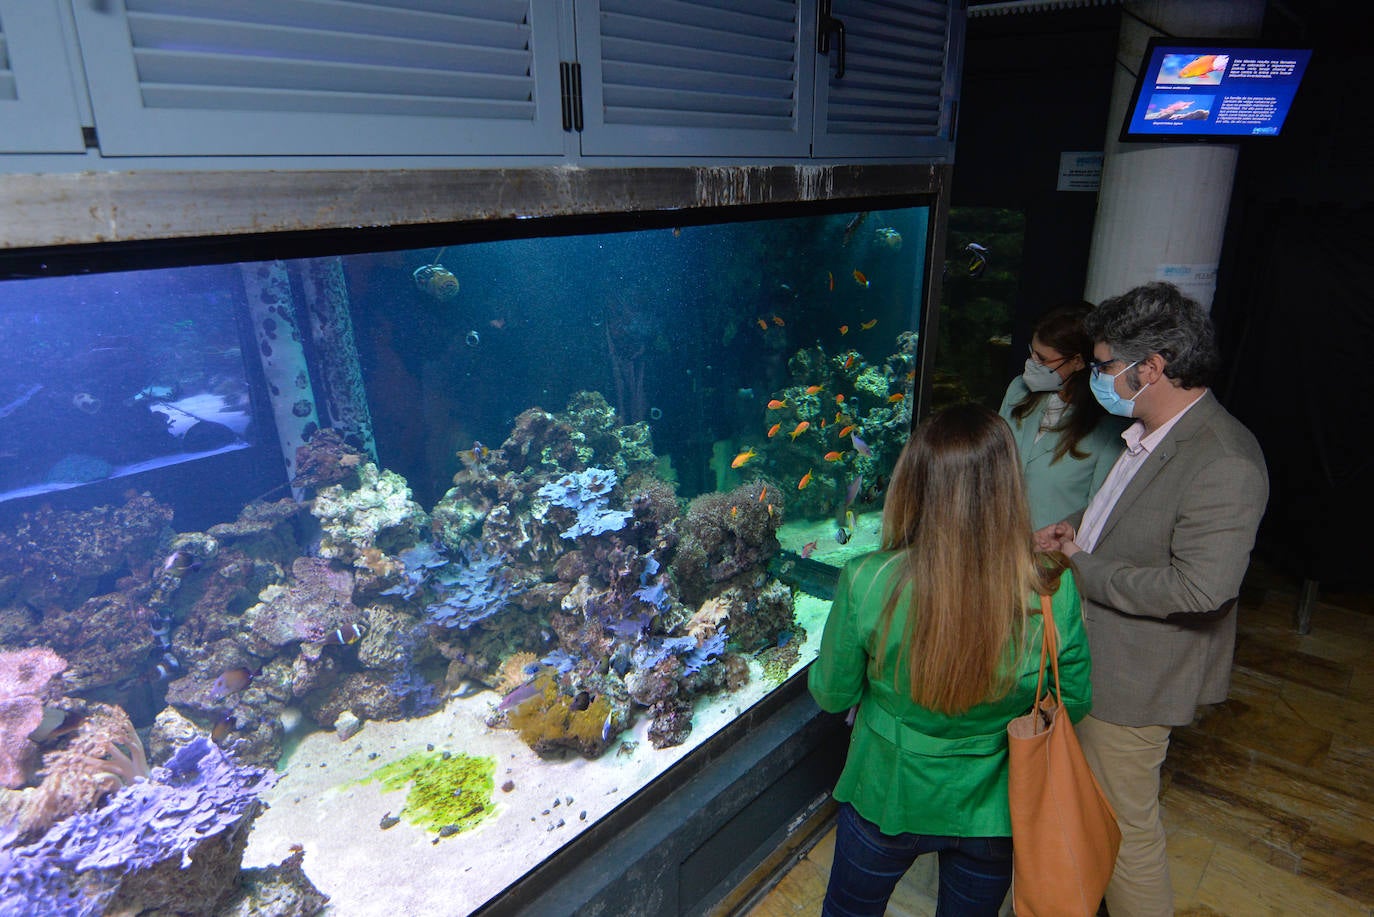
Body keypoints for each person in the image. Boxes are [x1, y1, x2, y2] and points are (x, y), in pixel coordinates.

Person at [1035, 282, 1268, 917]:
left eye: (1107, 365)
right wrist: (1076, 527)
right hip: (1098, 658)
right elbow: (1133, 513)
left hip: (1135, 678)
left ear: (1153, 368)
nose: (1099, 377)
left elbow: (1201, 588)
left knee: (1127, 833)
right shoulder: (1153, 429)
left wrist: (1082, 564)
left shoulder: (1224, 459)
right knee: (1082, 812)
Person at [810, 403, 1092, 917]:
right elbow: (1074, 699)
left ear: (912, 483)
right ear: (1009, 488)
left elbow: (832, 694)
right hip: (994, 808)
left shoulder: (867, 579)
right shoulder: (1053, 589)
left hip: (886, 793)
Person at [999, 301, 1128, 529]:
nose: (1032, 363)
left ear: (1077, 362)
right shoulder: (1018, 390)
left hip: (1051, 556)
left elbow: (1097, 511)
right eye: (1032, 353)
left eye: (1043, 359)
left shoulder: (1108, 426)